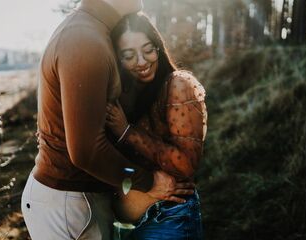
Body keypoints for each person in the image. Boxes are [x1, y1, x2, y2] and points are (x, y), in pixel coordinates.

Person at [21, 1, 194, 239]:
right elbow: (86, 152)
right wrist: (147, 181)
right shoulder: (84, 39)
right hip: (69, 203)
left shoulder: (94, 31)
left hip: (78, 201)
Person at [106, 13, 208, 239]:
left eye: (148, 49)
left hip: (169, 220)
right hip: (127, 226)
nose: (142, 62)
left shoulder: (177, 84)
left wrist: (127, 132)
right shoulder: (127, 93)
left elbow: (186, 165)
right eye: (129, 55)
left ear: (159, 47)